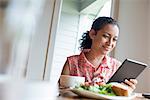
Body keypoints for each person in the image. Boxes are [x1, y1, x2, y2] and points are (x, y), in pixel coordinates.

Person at [61, 17, 137, 90]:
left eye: (114, 39)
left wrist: (126, 90)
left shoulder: (116, 66)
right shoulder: (71, 63)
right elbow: (61, 92)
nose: (110, 43)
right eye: (106, 36)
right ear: (92, 34)